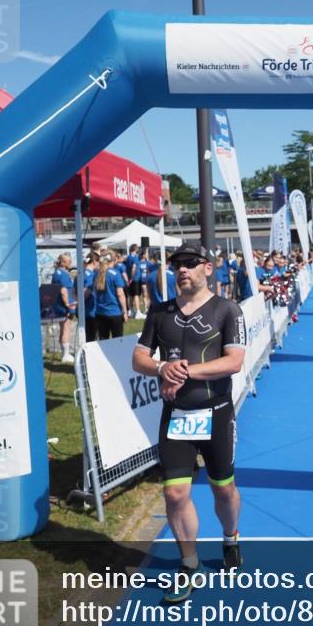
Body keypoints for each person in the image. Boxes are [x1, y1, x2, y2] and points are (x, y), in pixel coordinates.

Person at [131, 241, 246, 604]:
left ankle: (231, 538)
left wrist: (184, 371)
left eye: (191, 263)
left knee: (222, 488)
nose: (182, 269)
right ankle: (189, 565)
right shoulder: (160, 311)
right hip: (176, 415)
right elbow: (139, 358)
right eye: (177, 263)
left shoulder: (227, 309)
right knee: (175, 492)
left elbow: (234, 362)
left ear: (207, 268)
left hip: (216, 412)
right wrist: (162, 367)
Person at [93, 251, 128, 340]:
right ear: (114, 259)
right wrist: (125, 311)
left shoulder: (96, 273)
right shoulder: (115, 274)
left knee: (103, 341)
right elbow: (120, 294)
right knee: (117, 341)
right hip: (114, 312)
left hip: (100, 312)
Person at [52, 254, 77, 363]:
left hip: (58, 304)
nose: (70, 263)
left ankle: (64, 353)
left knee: (63, 328)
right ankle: (65, 354)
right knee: (66, 328)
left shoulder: (57, 273)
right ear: (62, 262)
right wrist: (68, 304)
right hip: (64, 306)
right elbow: (63, 290)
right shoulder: (63, 274)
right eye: (68, 261)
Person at [125, 244, 146, 320]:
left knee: (130, 295)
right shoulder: (135, 258)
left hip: (130, 279)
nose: (138, 250)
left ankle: (131, 311)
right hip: (135, 279)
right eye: (137, 248)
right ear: (135, 249)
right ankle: (138, 312)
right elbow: (133, 268)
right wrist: (132, 277)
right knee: (136, 295)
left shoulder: (128, 257)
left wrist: (129, 278)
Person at [83, 252, 99, 343]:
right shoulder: (91, 275)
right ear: (94, 262)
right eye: (98, 262)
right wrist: (81, 302)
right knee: (92, 338)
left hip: (83, 311)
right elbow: (87, 291)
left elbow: (74, 291)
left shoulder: (80, 274)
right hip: (90, 310)